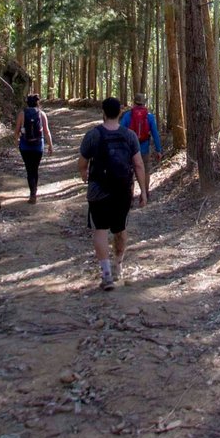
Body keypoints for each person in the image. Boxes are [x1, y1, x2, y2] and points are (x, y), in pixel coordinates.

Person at [78, 96, 147, 291]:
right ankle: (118, 265)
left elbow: (82, 163)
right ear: (119, 113)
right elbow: (139, 164)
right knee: (120, 229)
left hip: (98, 190)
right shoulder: (130, 136)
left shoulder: (93, 135)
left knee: (100, 230)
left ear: (103, 113)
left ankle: (106, 274)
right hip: (122, 191)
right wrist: (143, 191)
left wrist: (85, 175)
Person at [120, 92, 162, 198]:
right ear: (144, 103)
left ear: (134, 103)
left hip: (129, 148)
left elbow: (120, 131)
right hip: (143, 147)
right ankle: (146, 192)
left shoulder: (127, 115)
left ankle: (130, 195)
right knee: (145, 169)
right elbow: (155, 134)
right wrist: (159, 150)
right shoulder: (149, 116)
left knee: (130, 172)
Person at [14, 93, 54, 203]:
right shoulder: (42, 114)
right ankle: (34, 192)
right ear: (37, 103)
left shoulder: (22, 114)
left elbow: (17, 131)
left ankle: (32, 192)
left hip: (25, 146)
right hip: (38, 146)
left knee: (29, 169)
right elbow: (46, 132)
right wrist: (50, 145)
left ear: (27, 103)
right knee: (35, 169)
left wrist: (17, 142)